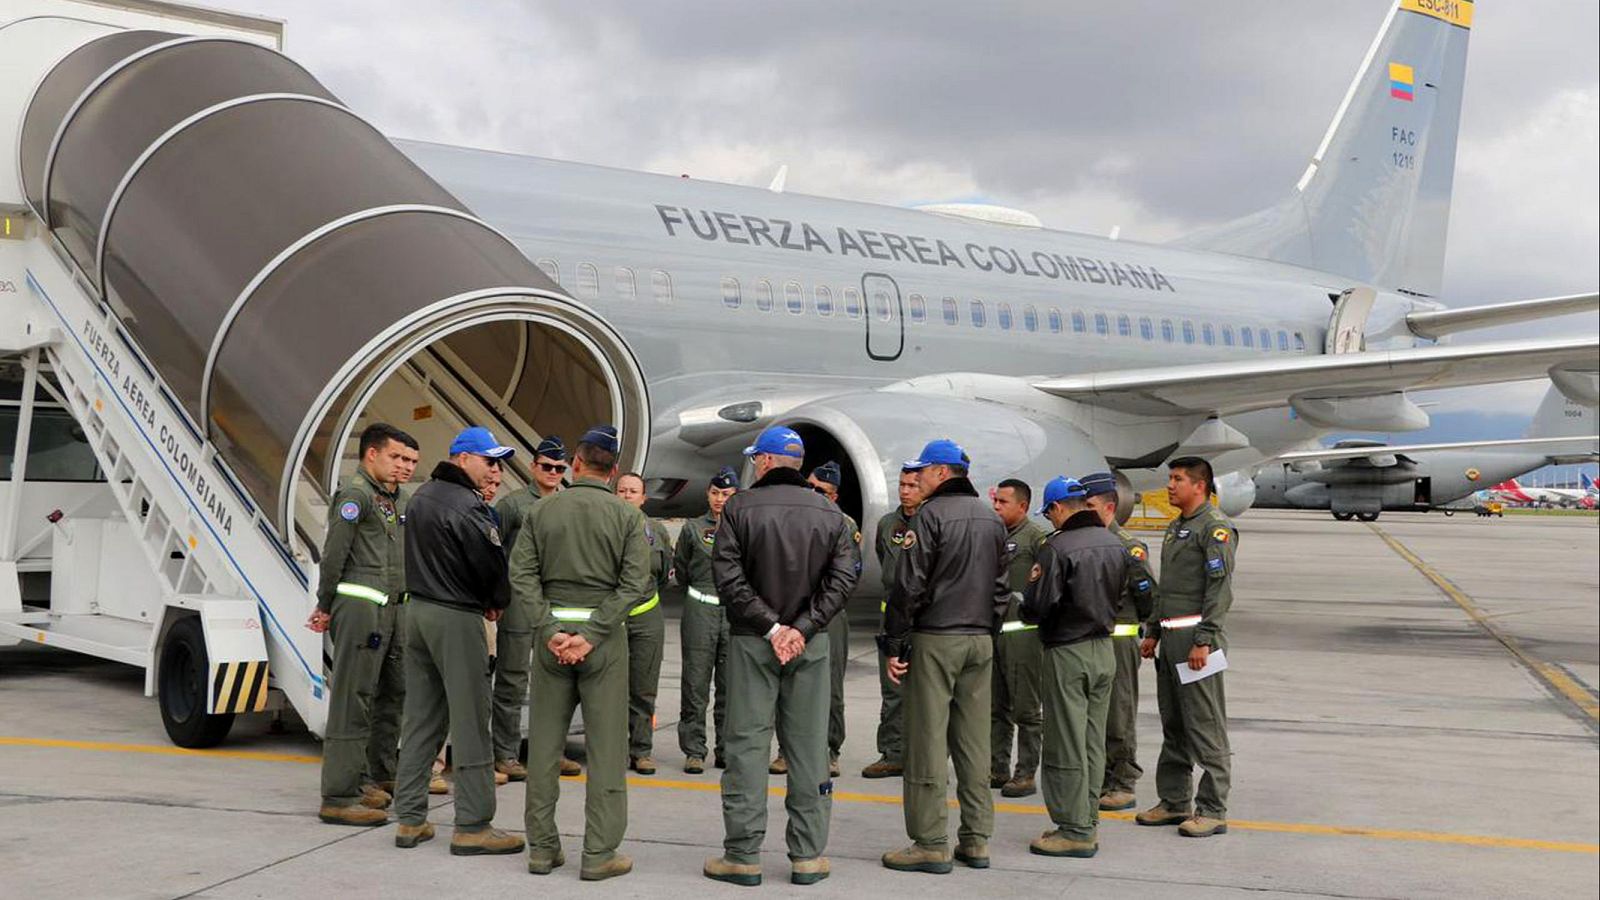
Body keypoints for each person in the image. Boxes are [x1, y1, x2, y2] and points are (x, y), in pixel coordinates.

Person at [703, 427, 858, 888]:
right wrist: (801, 628)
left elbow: (728, 577)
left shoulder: (739, 508)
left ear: (767, 462)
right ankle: (807, 856)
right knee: (809, 747)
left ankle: (743, 856)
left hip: (753, 641)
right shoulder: (830, 514)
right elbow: (843, 581)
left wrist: (771, 627)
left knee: (747, 746)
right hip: (810, 646)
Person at [513, 426, 650, 880]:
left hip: (551, 642)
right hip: (604, 643)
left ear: (575, 462)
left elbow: (523, 576)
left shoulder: (542, 510)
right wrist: (592, 634)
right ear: (613, 472)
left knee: (545, 749)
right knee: (608, 748)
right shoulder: (627, 517)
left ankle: (542, 849)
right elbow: (634, 584)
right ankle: (598, 854)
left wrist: (551, 630)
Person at [392, 427, 523, 856]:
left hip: (418, 613)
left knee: (420, 720)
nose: (494, 470)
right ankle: (473, 824)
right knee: (471, 722)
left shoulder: (422, 496)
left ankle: (410, 819)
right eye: (489, 461)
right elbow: (491, 569)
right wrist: (496, 602)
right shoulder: (468, 506)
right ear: (463, 459)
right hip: (456, 616)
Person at [880, 439, 1008, 875]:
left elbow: (908, 585)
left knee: (927, 742)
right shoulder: (992, 520)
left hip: (937, 638)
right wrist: (985, 634)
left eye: (923, 471)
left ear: (940, 472)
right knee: (974, 744)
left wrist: (895, 644)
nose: (917, 479)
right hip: (979, 640)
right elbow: (1000, 590)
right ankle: (976, 839)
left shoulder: (930, 516)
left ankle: (931, 842)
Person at [309, 423, 418, 827]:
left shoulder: (395, 499)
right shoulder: (355, 497)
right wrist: (324, 604)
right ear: (371, 454)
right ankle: (339, 794)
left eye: (410, 461)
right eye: (397, 458)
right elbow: (335, 553)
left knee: (392, 694)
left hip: (393, 610)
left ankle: (375, 776)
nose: (404, 467)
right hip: (361, 609)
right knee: (352, 699)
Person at [1020, 477, 1125, 858]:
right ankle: (1088, 818)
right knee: (1092, 741)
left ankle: (1074, 829)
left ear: (1059, 508)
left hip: (1068, 650)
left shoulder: (1057, 547)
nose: (1049, 520)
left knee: (1065, 741)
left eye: (1048, 512)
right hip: (1104, 649)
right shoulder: (1114, 542)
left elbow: (1038, 605)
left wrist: (1022, 604)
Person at [1137, 456, 1237, 838]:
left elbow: (1219, 590)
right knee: (1174, 723)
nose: (1170, 485)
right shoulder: (1177, 527)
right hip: (1172, 638)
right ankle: (1175, 800)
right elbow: (1167, 588)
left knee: (1205, 725)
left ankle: (1212, 808)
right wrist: (1154, 632)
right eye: (1170, 478)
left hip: (1198, 641)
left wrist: (1205, 639)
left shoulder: (1214, 529)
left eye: (1178, 479)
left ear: (1200, 485)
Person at [492, 435, 576, 782]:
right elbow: (494, 552)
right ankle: (506, 754)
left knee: (553, 684)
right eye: (547, 466)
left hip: (555, 605)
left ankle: (549, 751)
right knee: (512, 680)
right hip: (519, 604)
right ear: (533, 467)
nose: (553, 472)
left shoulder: (569, 503)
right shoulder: (512, 505)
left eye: (559, 467)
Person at [772, 460, 858, 779]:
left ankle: (830, 749)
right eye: (810, 487)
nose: (813, 493)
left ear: (833, 496)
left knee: (830, 686)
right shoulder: (795, 516)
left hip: (829, 614)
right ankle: (786, 750)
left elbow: (847, 577)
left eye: (820, 490)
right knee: (788, 682)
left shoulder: (844, 524)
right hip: (794, 610)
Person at [1078, 471, 1158, 812]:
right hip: (1089, 640)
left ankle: (1123, 781)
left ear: (1108, 506)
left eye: (1089, 503)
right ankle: (1099, 776)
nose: (1083, 509)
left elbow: (1148, 597)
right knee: (1090, 716)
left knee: (1117, 715)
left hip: (1117, 642)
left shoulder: (1129, 548)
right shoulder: (1085, 541)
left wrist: (1141, 628)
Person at [675, 467, 739, 773]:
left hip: (733, 613)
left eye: (726, 495)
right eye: (715, 493)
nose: (719, 500)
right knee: (695, 684)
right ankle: (694, 750)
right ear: (707, 494)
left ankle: (725, 749)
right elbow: (683, 569)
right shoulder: (692, 529)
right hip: (700, 610)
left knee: (730, 687)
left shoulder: (745, 527)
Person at [989, 478, 1048, 798]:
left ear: (1022, 507)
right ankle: (996, 767)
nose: (996, 506)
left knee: (1026, 709)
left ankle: (1025, 772)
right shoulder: (995, 536)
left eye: (1003, 502)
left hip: (1023, 638)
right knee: (995, 707)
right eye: (995, 501)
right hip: (995, 634)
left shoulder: (1035, 538)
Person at [862, 467, 921, 779]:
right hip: (892, 617)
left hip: (922, 618)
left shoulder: (931, 521)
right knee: (892, 689)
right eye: (902, 484)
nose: (906, 491)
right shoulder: (888, 524)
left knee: (926, 691)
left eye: (913, 485)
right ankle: (892, 753)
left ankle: (925, 756)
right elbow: (885, 562)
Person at [614, 472, 674, 776]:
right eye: (622, 490)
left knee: (644, 686)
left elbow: (663, 574)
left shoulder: (656, 531)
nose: (627, 495)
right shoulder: (604, 527)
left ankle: (641, 750)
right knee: (610, 688)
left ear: (643, 498)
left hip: (647, 615)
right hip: (613, 616)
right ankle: (613, 750)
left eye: (633, 491)